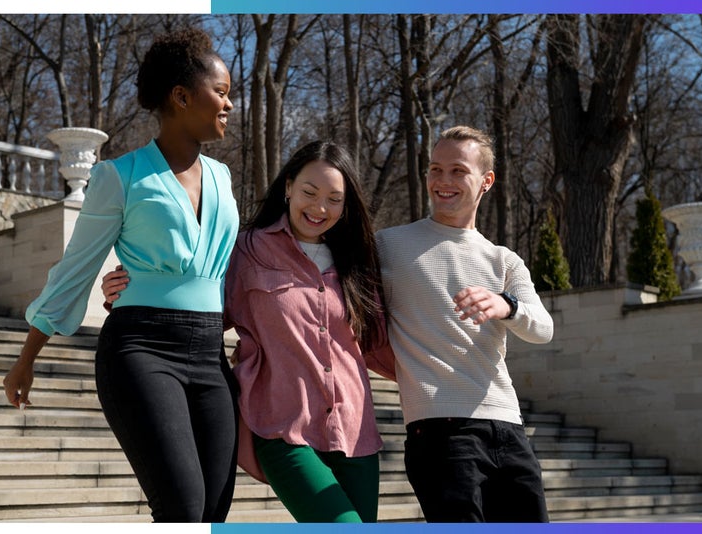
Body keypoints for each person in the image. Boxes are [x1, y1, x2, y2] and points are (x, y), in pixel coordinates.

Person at [3, 28, 240, 523]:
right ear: (180, 96)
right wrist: (26, 358)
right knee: (181, 507)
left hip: (211, 355)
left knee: (215, 513)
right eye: (220, 92)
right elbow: (74, 270)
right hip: (141, 350)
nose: (229, 105)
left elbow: (229, 268)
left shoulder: (222, 177)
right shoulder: (119, 176)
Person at [101, 140, 396, 523]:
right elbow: (198, 302)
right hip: (283, 428)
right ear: (288, 187)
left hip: (356, 432)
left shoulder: (359, 261)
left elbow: (379, 346)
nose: (320, 208)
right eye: (309, 192)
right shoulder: (248, 250)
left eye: (334, 199)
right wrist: (131, 291)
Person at [375, 125, 554, 523]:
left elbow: (543, 328)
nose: (443, 181)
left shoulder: (504, 260)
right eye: (435, 169)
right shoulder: (388, 245)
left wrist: (505, 305)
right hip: (441, 432)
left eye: (457, 170)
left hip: (509, 428)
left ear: (486, 181)